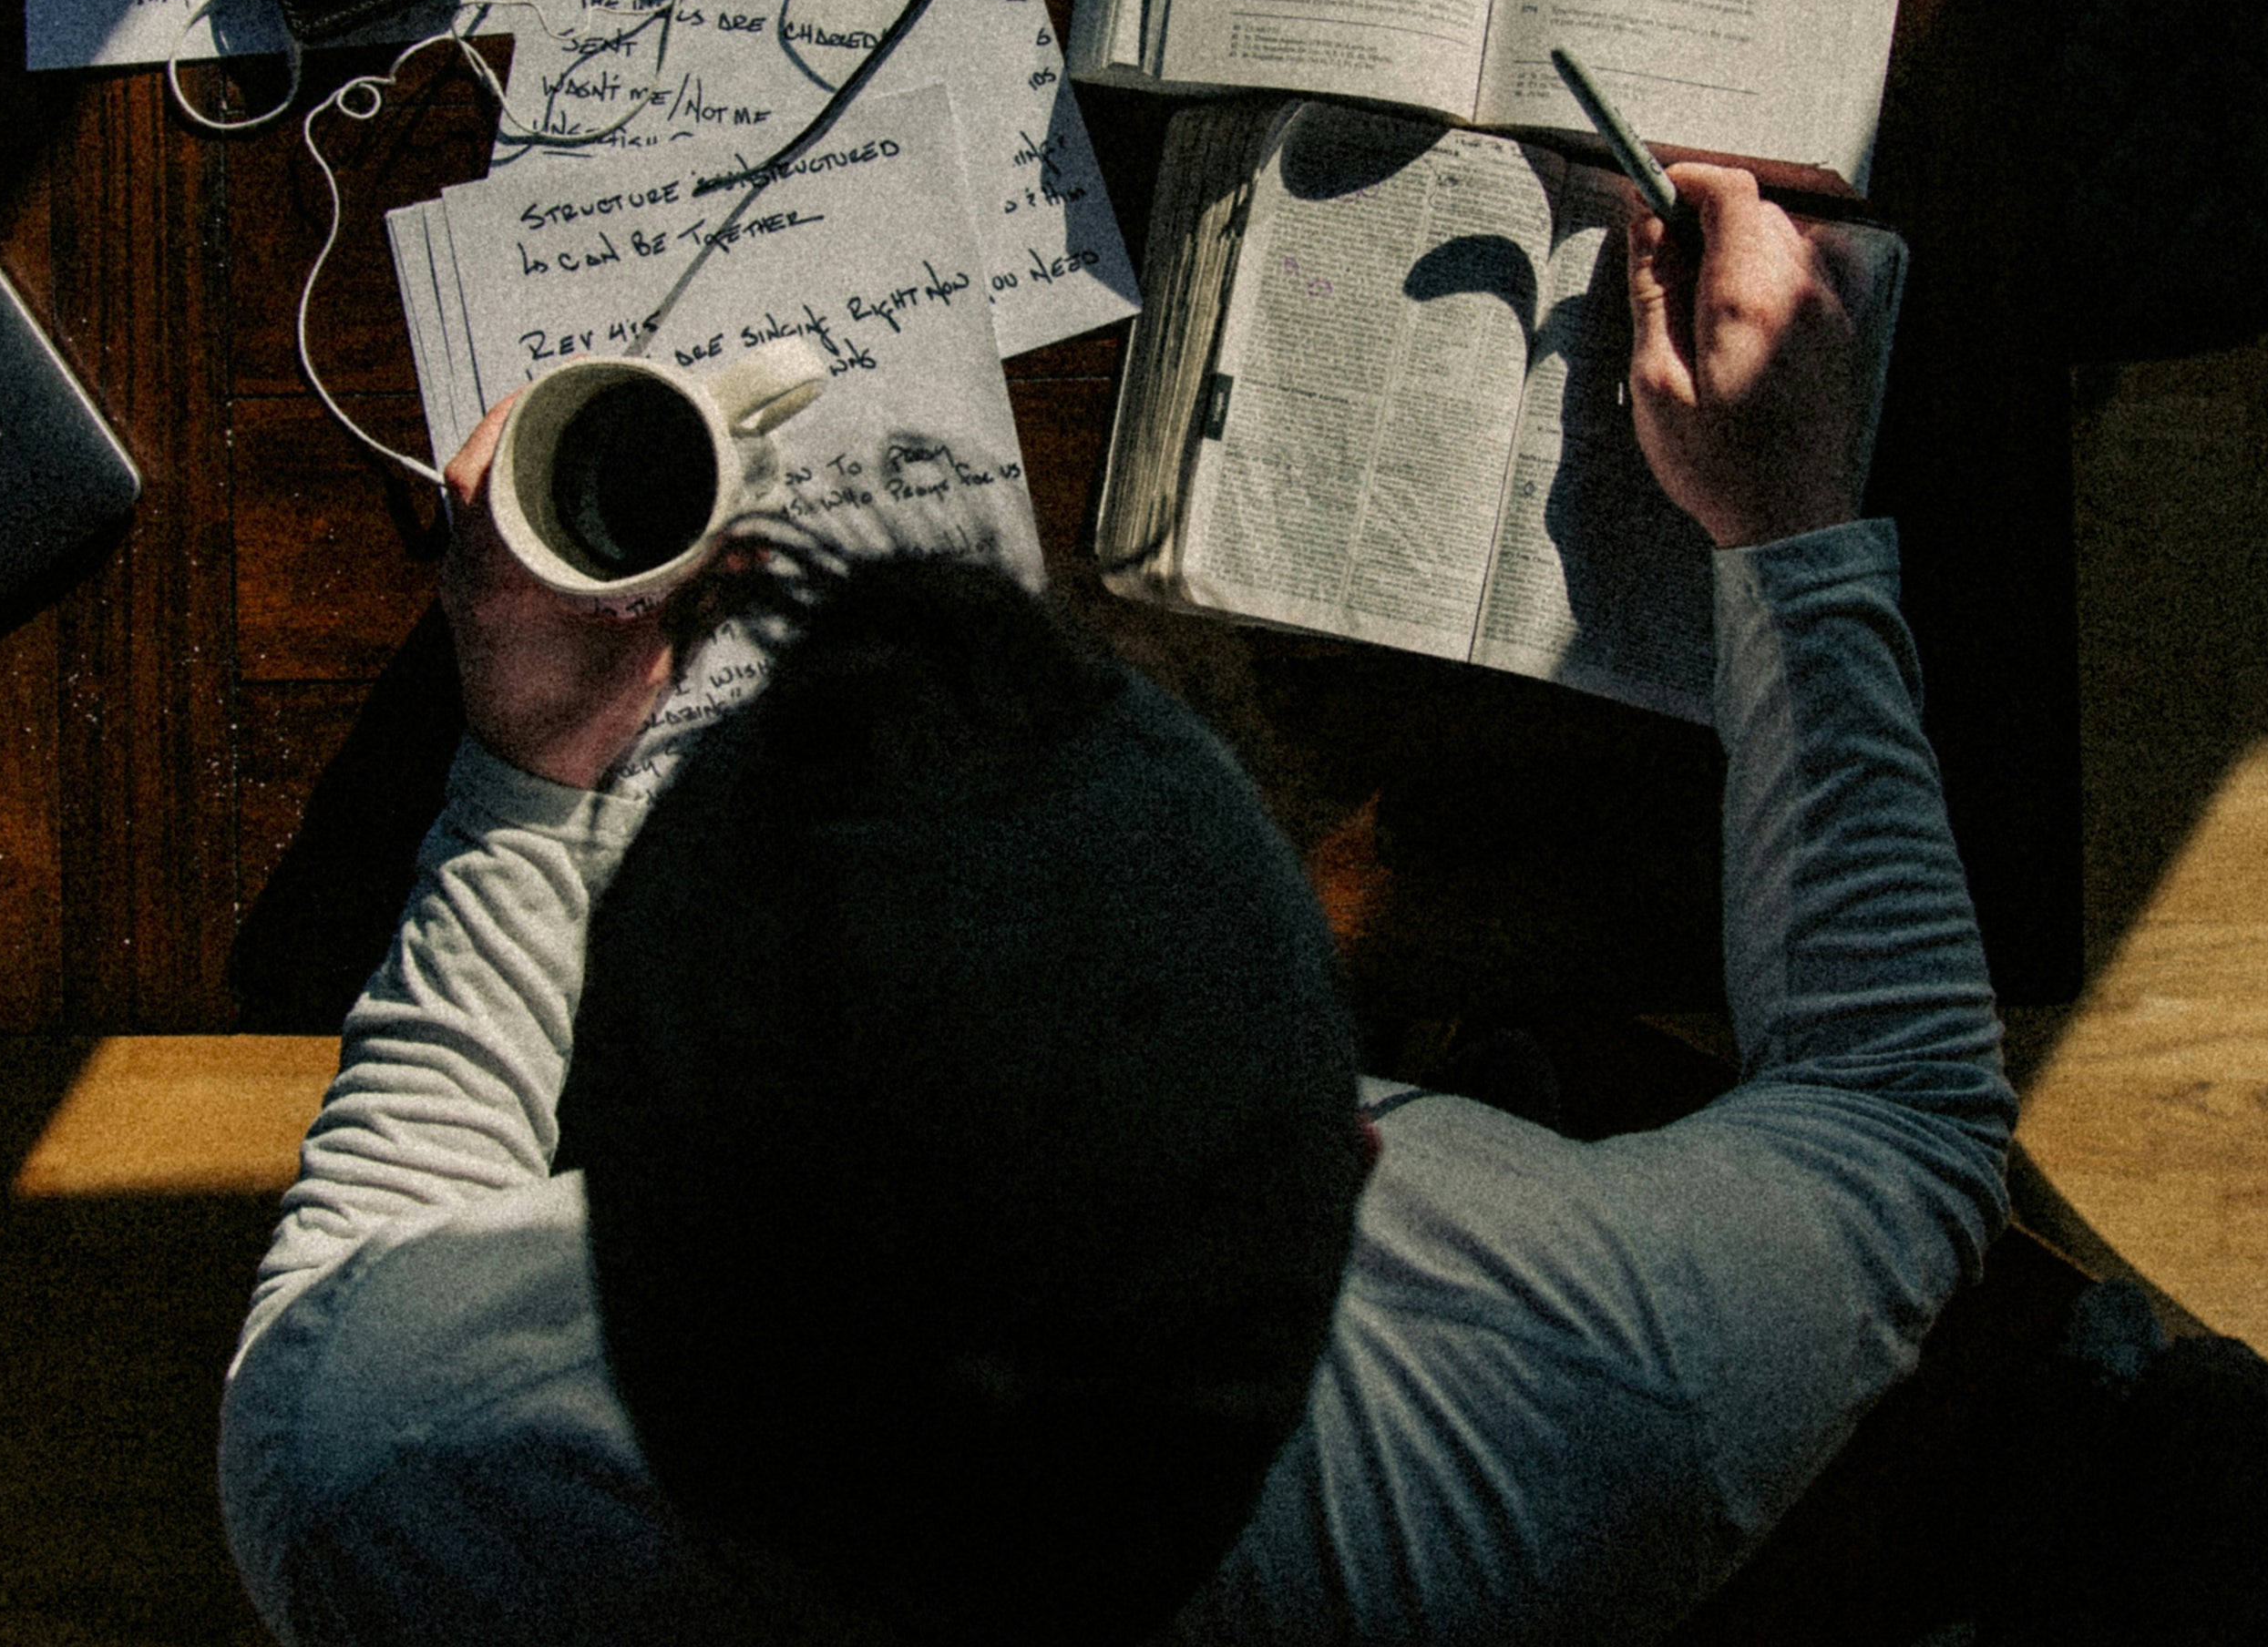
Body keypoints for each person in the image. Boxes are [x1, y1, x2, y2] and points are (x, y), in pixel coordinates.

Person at [217, 163, 2014, 1645]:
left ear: (611, 1229)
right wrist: (1793, 527)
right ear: (1362, 1151)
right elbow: (1906, 1113)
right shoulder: (1580, 1416)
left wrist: (529, 771)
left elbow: (377, 1218)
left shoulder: (373, 1480)